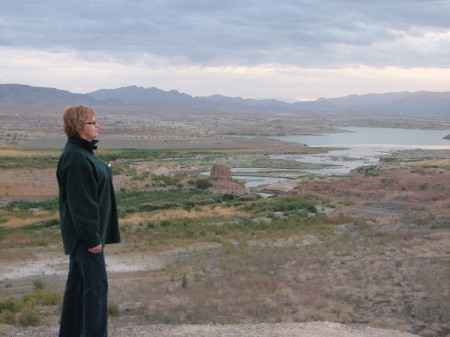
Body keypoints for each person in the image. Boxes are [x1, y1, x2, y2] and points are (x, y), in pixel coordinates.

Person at [56, 105, 120, 337]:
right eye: (92, 122)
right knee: (95, 290)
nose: (97, 125)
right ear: (77, 127)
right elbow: (81, 204)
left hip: (84, 235)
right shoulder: (77, 159)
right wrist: (93, 238)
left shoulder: (81, 152)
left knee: (77, 288)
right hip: (87, 237)